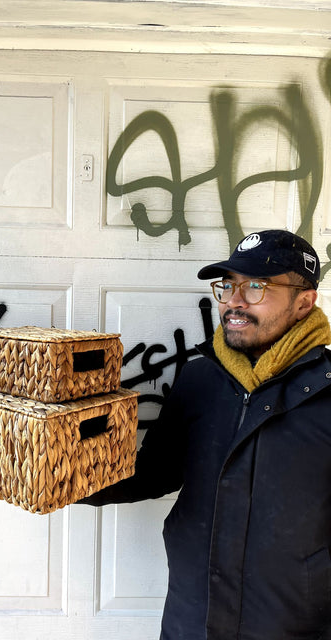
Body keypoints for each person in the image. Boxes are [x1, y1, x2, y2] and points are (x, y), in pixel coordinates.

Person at [80, 229, 331, 640]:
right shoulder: (200, 378)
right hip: (192, 622)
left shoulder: (327, 389)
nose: (233, 300)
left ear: (304, 302)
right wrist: (62, 478)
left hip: (294, 628)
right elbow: (155, 473)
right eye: (228, 285)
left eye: (255, 287)